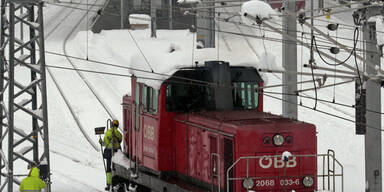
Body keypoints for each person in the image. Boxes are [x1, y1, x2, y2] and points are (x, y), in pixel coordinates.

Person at [100, 119, 122, 191]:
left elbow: (105, 144)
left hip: (109, 152)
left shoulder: (107, 133)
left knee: (108, 168)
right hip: (116, 153)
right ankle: (116, 183)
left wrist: (101, 142)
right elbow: (120, 141)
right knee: (116, 168)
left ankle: (109, 184)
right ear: (117, 126)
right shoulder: (119, 134)